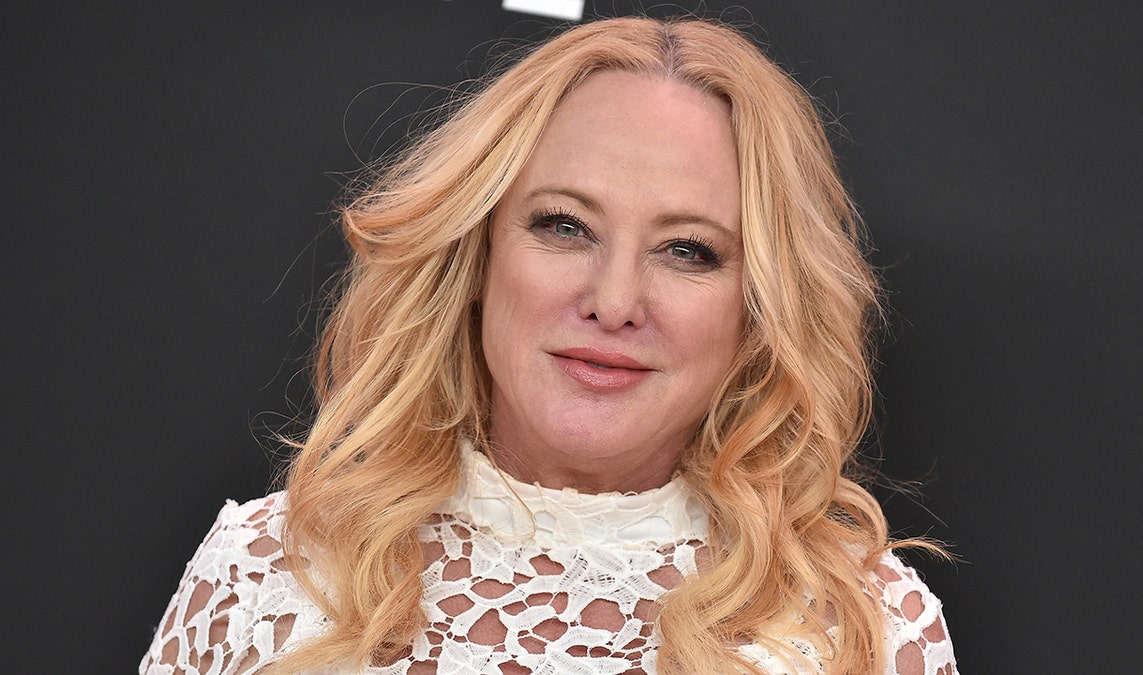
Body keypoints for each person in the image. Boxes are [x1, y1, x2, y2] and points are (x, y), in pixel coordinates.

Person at [141, 16, 958, 675]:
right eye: (565, 226)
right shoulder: (264, 572)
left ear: (760, 310)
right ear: (477, 254)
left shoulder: (869, 629)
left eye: (688, 250)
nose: (614, 302)